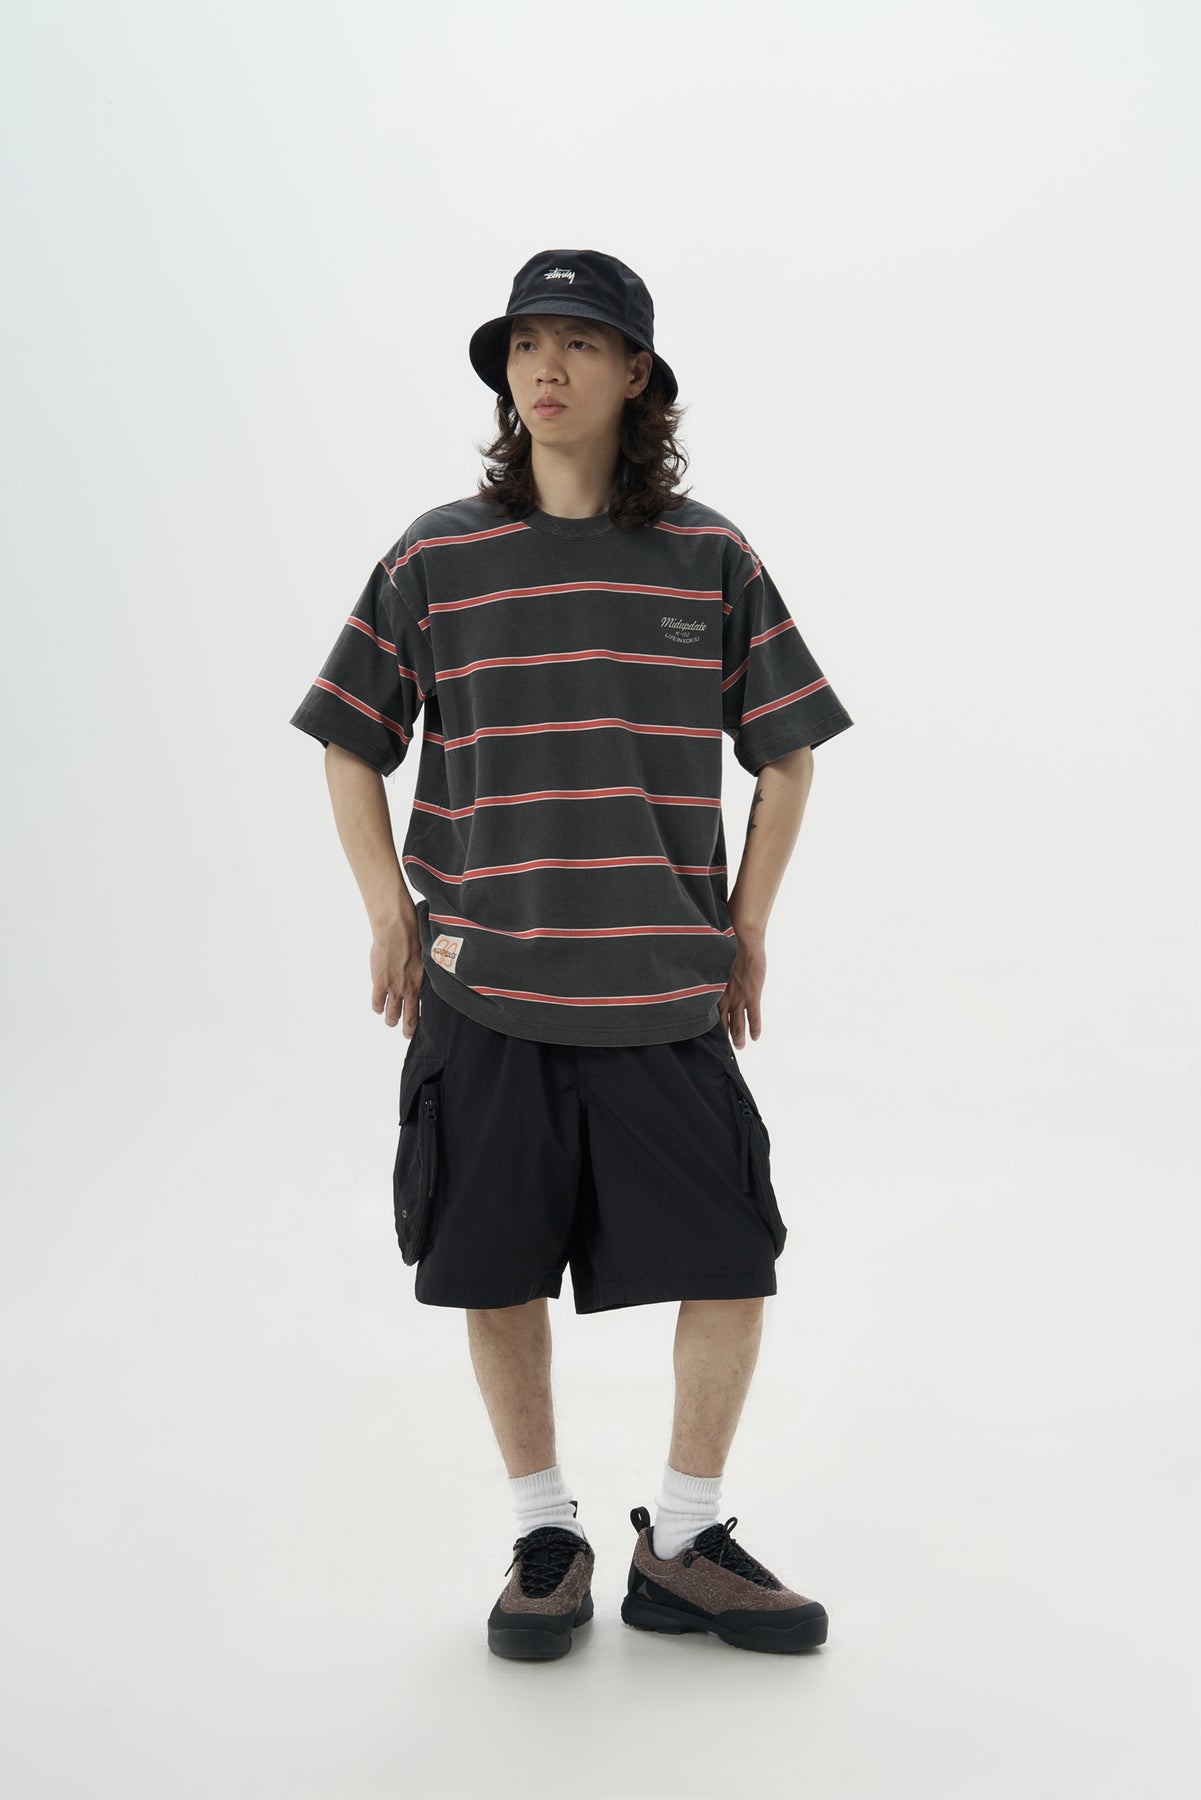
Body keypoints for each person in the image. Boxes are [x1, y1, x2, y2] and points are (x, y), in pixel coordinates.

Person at [290, 248, 854, 1661]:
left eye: (580, 343)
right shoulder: (436, 557)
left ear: (635, 374)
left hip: (663, 991)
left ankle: (683, 1542)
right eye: (525, 343)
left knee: (734, 1261)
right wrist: (387, 912)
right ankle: (545, 1535)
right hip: (483, 988)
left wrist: (747, 925)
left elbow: (788, 754)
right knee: (491, 1271)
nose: (545, 367)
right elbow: (350, 740)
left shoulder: (709, 557)